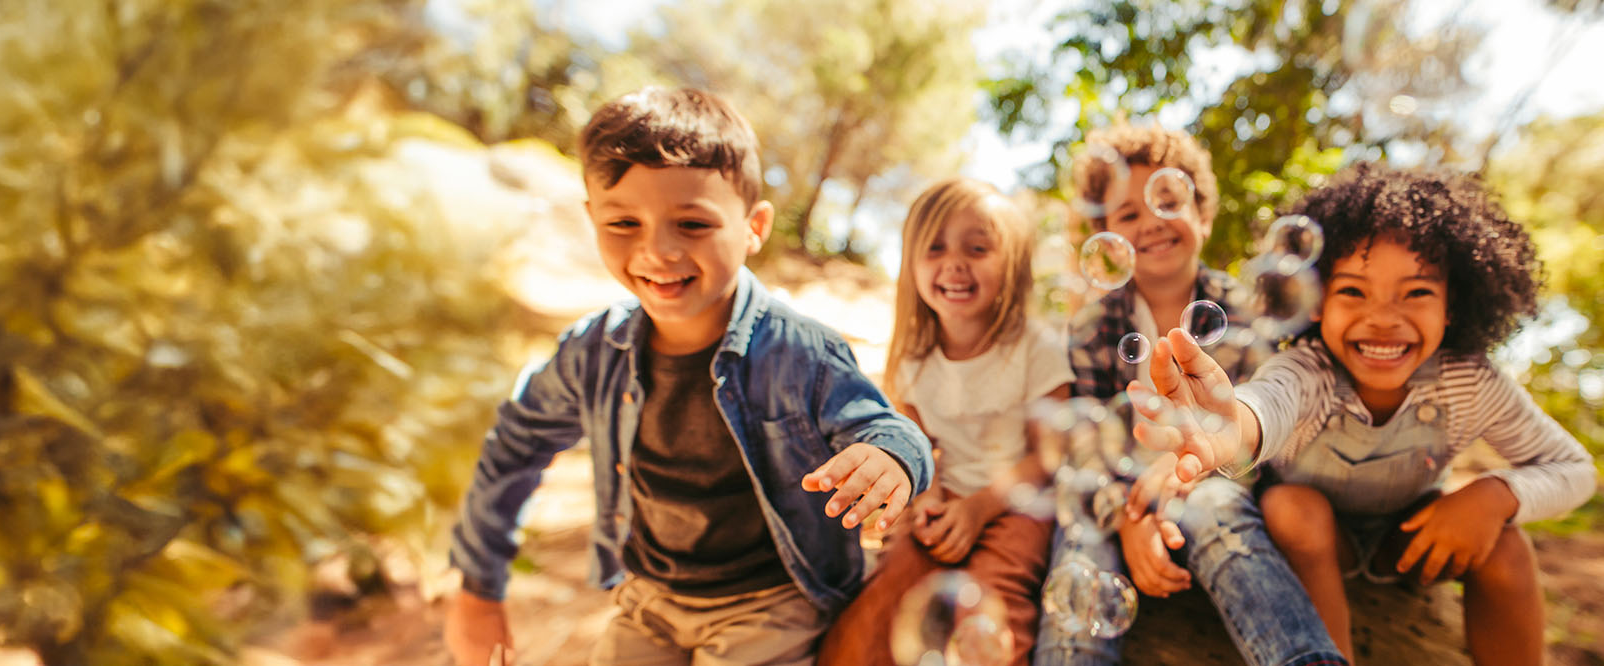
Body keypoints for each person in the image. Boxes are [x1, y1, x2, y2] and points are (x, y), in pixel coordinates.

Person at [442, 86, 933, 666]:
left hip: (771, 606)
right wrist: (477, 586)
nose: (657, 251)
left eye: (692, 224)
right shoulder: (592, 352)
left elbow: (887, 428)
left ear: (753, 227)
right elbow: (514, 445)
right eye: (624, 222)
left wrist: (892, 459)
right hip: (651, 600)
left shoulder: (800, 351)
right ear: (591, 219)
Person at [1128, 163, 1597, 666]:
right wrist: (1230, 425)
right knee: (1292, 506)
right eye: (1352, 291)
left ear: (1453, 305)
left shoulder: (1469, 382)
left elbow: (1575, 469)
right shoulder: (1308, 371)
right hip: (1315, 540)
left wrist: (1495, 495)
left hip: (1410, 537)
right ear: (1313, 301)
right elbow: (1268, 403)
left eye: (1416, 293)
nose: (1383, 319)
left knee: (1506, 542)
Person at [1037, 125, 1347, 666]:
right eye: (1127, 214)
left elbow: (1253, 435)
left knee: (1222, 517)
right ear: (1106, 238)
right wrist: (1130, 516)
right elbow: (1084, 443)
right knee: (1082, 544)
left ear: (1203, 215)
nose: (1151, 222)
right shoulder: (1090, 328)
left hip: (1208, 481)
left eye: (1167, 201)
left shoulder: (1246, 312)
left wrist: (1176, 488)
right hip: (1117, 491)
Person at [817, 179, 1071, 665]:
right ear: (911, 265)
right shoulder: (915, 359)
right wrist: (927, 495)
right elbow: (914, 446)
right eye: (934, 248)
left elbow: (1049, 454)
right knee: (885, 595)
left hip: (1017, 505)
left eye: (977, 248)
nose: (954, 263)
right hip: (944, 499)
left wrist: (979, 508)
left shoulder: (1035, 347)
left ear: (1013, 266)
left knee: (995, 605)